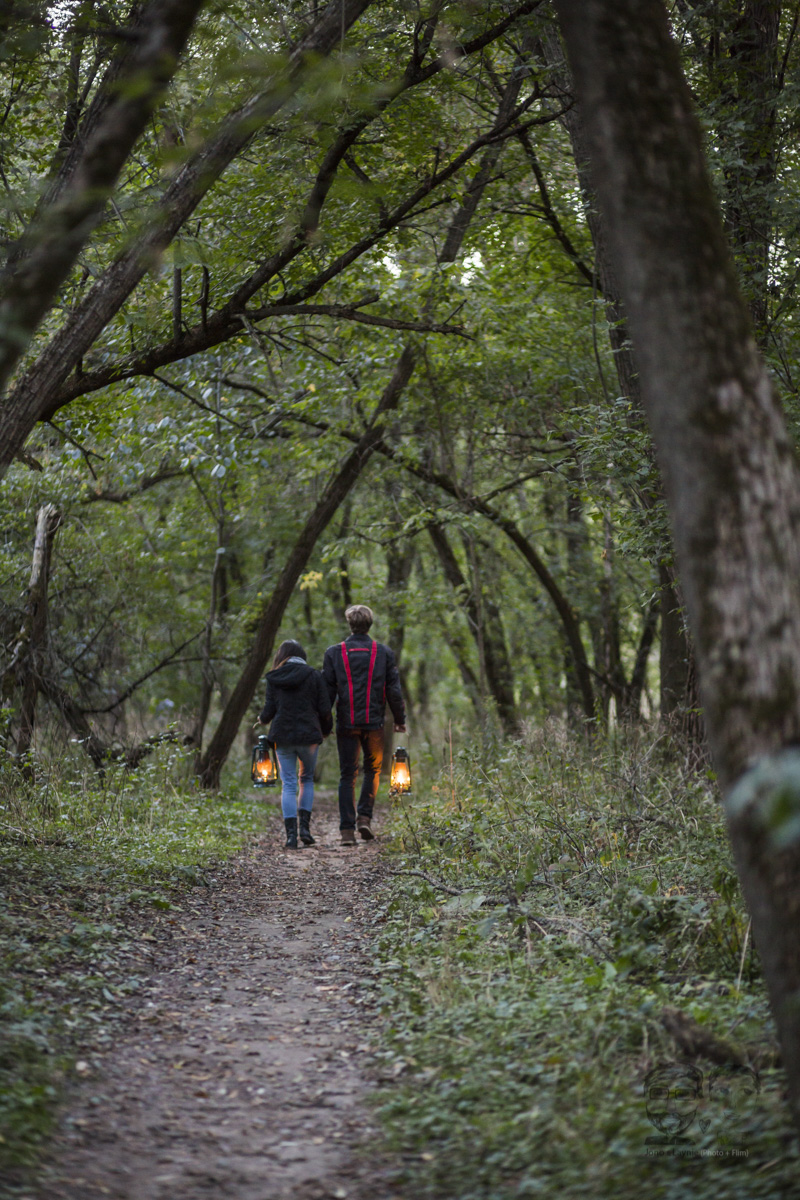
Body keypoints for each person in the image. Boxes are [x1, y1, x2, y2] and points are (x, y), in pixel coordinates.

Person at [323, 604, 406, 845]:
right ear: (369, 624)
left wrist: (324, 723)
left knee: (347, 775)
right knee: (373, 771)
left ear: (350, 624)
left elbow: (326, 692)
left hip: (346, 723)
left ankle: (347, 831)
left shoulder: (334, 653)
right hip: (374, 723)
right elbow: (394, 690)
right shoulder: (384, 653)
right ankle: (364, 819)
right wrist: (400, 720)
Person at [258, 639, 332, 850]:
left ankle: (291, 837)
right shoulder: (314, 675)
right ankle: (305, 830)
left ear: (281, 656)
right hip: (309, 735)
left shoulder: (274, 678)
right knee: (306, 779)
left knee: (289, 784)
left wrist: (262, 720)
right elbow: (325, 709)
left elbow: (269, 709)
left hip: (282, 735)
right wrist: (326, 730)